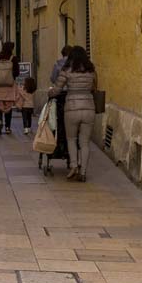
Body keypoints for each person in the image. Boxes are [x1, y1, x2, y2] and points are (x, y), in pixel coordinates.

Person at [49, 45, 97, 182]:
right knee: (85, 142)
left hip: (71, 108)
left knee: (71, 139)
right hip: (89, 107)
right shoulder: (91, 71)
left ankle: (74, 166)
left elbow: (57, 89)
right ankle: (83, 172)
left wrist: (50, 93)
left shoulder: (66, 70)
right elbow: (94, 87)